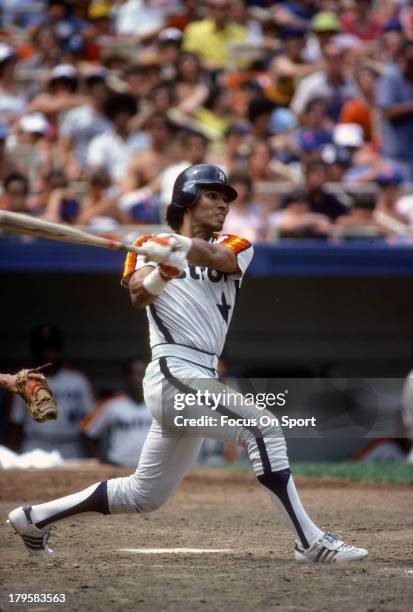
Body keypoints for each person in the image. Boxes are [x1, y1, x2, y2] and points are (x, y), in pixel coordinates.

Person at [7, 164, 367, 563]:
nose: (223, 205)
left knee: (144, 494)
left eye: (226, 198)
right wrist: (163, 268)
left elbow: (216, 255)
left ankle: (33, 517)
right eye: (213, 195)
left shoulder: (237, 244)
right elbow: (139, 296)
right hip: (173, 372)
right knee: (263, 429)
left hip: (200, 376)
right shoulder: (145, 243)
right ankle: (310, 542)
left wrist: (181, 250)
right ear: (187, 198)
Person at [9, 324, 94, 459]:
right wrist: (13, 456)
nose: (49, 353)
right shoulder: (24, 380)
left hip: (70, 446)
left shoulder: (77, 380)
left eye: (53, 348)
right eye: (44, 348)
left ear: (60, 350)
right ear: (35, 351)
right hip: (35, 445)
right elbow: (16, 423)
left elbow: (90, 421)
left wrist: (92, 454)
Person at [81, 358, 152, 467]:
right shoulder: (110, 403)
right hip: (119, 468)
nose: (139, 380)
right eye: (134, 374)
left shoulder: (162, 404)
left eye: (143, 374)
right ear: (126, 377)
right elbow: (87, 432)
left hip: (152, 469)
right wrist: (96, 460)